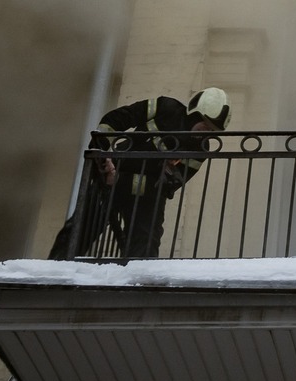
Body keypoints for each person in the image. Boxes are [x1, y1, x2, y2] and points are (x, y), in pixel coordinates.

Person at [49, 88, 231, 261]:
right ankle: (54, 270)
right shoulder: (165, 108)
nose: (206, 132)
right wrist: (102, 155)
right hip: (112, 177)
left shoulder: (200, 149)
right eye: (205, 124)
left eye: (211, 130)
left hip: (147, 197)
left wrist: (121, 179)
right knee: (81, 229)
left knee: (145, 247)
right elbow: (118, 118)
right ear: (194, 114)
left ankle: (137, 280)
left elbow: (170, 185)